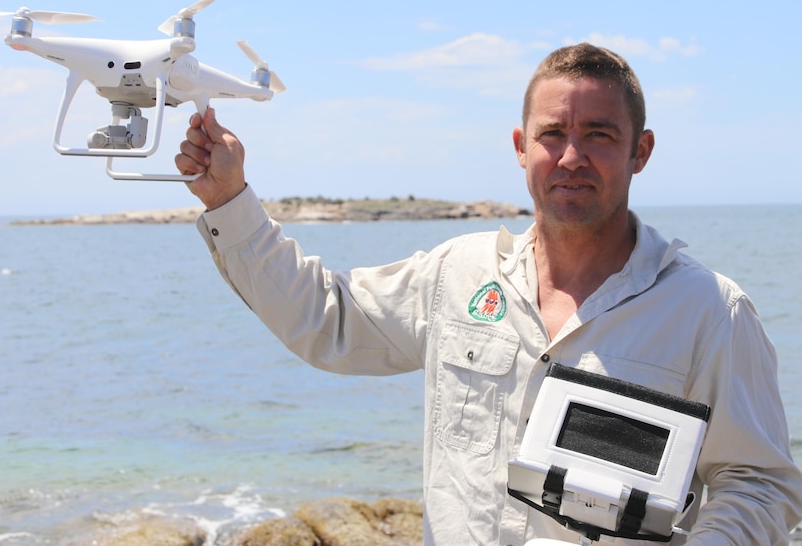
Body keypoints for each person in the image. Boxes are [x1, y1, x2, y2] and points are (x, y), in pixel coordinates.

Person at [174, 43, 802, 545]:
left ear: (641, 151)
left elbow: (759, 484)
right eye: (553, 132)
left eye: (601, 136)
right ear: (520, 147)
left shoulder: (710, 312)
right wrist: (231, 201)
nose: (572, 155)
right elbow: (328, 321)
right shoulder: (458, 274)